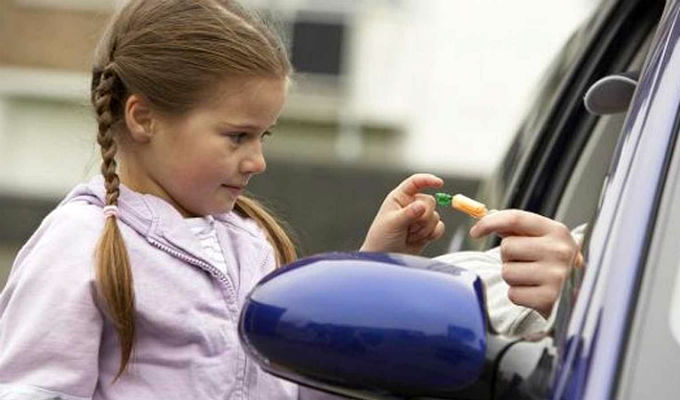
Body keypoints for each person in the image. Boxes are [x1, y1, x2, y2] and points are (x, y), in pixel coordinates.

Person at [0, 1, 444, 399]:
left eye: (264, 136)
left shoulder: (254, 244)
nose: (257, 161)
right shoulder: (80, 244)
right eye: (238, 136)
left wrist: (376, 266)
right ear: (143, 118)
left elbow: (310, 382)